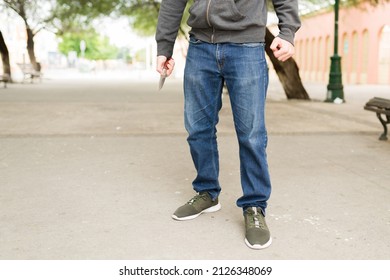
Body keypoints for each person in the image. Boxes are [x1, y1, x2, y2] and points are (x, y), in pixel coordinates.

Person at [155, 0, 301, 250]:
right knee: (197, 128)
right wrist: (164, 46)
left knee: (251, 134)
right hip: (200, 46)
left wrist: (287, 32)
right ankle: (207, 193)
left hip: (247, 46)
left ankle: (254, 205)